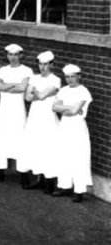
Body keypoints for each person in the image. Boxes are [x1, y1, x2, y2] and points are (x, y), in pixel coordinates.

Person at [0, 44, 33, 184]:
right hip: (4, 109)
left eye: (16, 55)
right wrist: (14, 85)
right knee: (1, 138)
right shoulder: (3, 70)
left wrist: (5, 86)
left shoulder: (26, 70)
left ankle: (24, 175)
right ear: (7, 56)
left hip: (18, 109)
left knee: (20, 139)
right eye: (10, 55)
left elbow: (22, 88)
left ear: (21, 55)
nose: (13, 58)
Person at [18, 51, 61, 193]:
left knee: (48, 147)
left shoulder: (55, 80)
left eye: (46, 64)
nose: (43, 67)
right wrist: (37, 94)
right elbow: (28, 98)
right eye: (40, 64)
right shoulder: (34, 78)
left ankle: (49, 183)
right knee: (35, 145)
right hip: (35, 116)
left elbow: (41, 95)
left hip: (48, 116)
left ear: (52, 65)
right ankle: (40, 180)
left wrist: (36, 93)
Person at [51, 64, 93, 202]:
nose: (70, 80)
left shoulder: (83, 91)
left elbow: (75, 112)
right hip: (65, 126)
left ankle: (78, 190)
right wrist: (70, 108)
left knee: (78, 157)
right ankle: (64, 185)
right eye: (67, 77)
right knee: (64, 155)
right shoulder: (63, 90)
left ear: (79, 76)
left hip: (78, 127)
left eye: (73, 77)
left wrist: (65, 109)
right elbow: (54, 107)